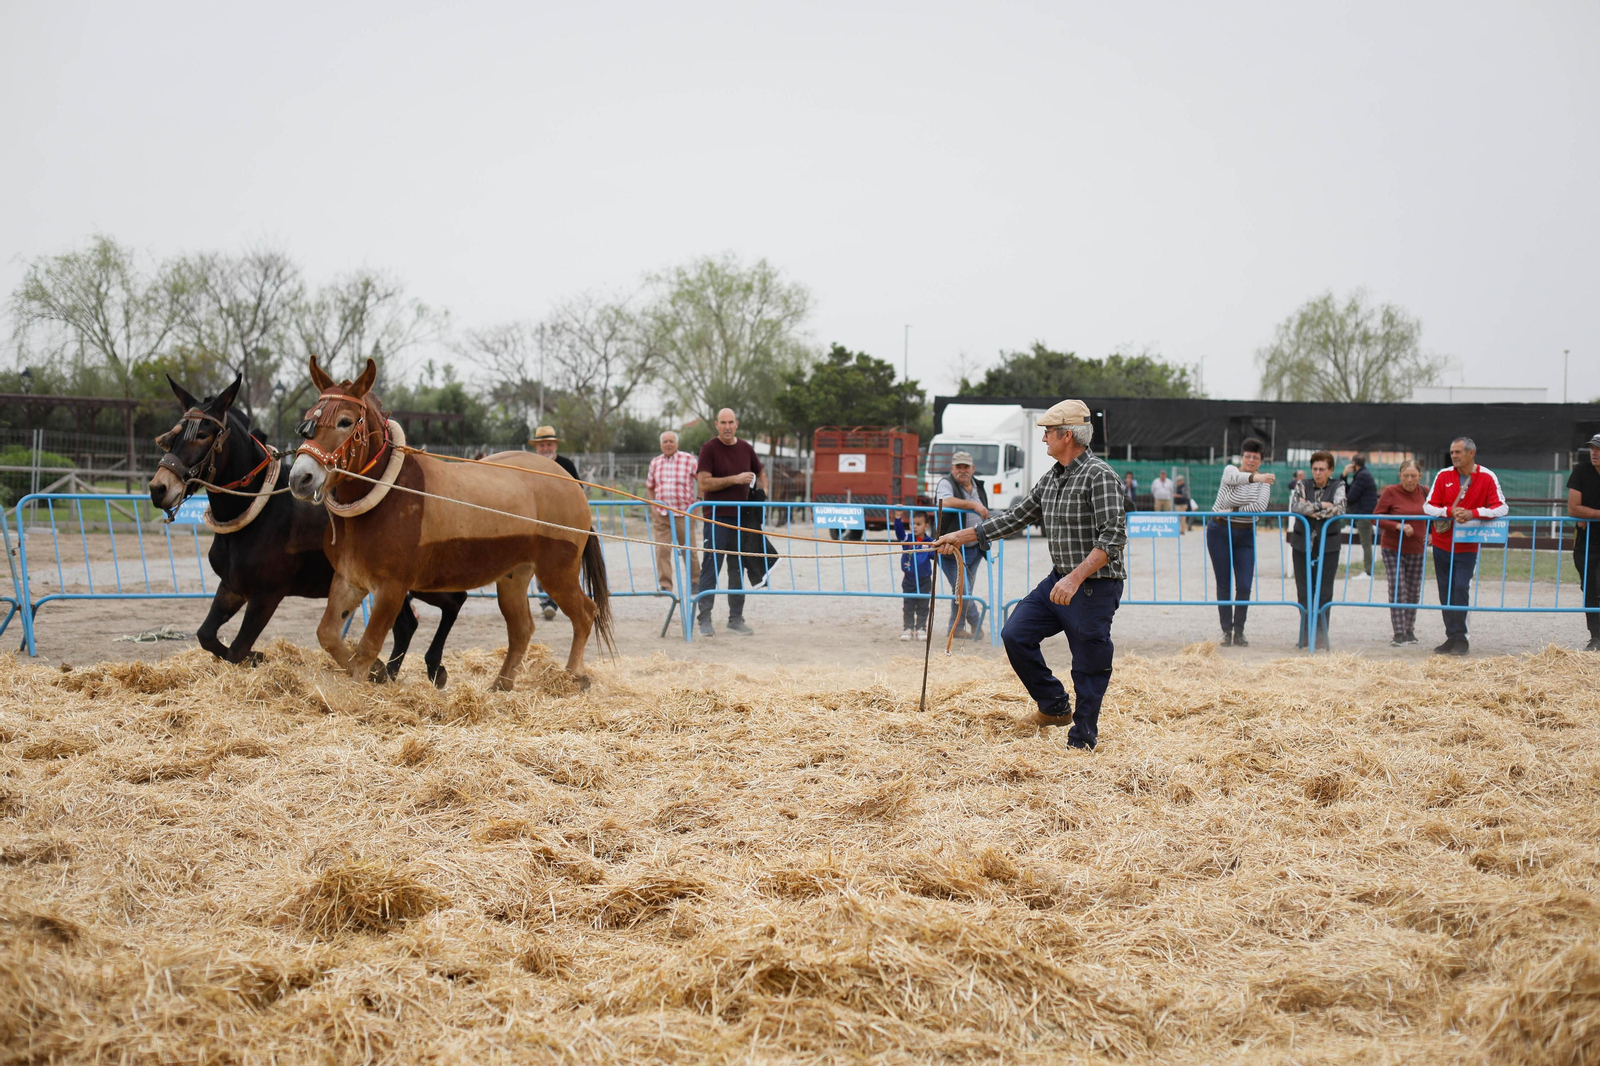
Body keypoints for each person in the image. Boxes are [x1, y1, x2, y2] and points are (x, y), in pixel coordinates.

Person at [933, 399, 1126, 749]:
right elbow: (1016, 516)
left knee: (1088, 664)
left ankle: (1082, 740)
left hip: (1094, 586)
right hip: (1060, 579)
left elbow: (1112, 538)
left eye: (1048, 433)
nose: (1044, 440)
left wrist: (1074, 577)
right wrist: (961, 537)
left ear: (1067, 435)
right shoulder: (1052, 478)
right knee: (1015, 633)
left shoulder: (1100, 476)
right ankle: (1053, 706)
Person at [1422, 436, 1508, 656]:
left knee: (1461, 587)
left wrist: (1474, 513)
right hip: (1442, 543)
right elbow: (1428, 506)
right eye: (1452, 452)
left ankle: (1462, 638)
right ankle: (1451, 636)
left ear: (1471, 453)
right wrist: (1450, 512)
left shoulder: (1487, 476)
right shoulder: (1443, 475)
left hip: (1468, 544)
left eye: (1458, 452)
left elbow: (1501, 508)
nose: (1454, 456)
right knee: (1445, 590)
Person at [695, 408, 765, 637]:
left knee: (737, 570)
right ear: (716, 424)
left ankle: (736, 619)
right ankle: (704, 618)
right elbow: (704, 483)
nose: (727, 426)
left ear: (736, 424)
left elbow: (761, 472)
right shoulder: (709, 449)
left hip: (741, 519)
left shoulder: (746, 448)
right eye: (723, 422)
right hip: (716, 517)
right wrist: (735, 479)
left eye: (731, 422)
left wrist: (761, 493)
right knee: (711, 568)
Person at [1208, 438, 1274, 646]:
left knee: (1245, 585)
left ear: (1261, 460)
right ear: (1242, 457)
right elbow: (1233, 483)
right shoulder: (1230, 470)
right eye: (1247, 456)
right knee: (1224, 582)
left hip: (1245, 534)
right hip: (1220, 531)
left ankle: (1240, 629)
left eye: (1255, 457)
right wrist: (1257, 478)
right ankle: (1226, 631)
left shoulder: (1264, 482)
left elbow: (1260, 507)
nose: (1251, 460)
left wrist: (1233, 510)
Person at [1288, 451, 1346, 650]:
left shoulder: (1339, 485)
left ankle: (1321, 635)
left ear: (1330, 470)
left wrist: (1310, 509)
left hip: (1328, 545)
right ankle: (1305, 634)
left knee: (1324, 591)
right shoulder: (1302, 484)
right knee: (1304, 591)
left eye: (1322, 469)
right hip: (1301, 545)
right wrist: (1322, 506)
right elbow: (1295, 506)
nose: (1318, 473)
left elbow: (1339, 508)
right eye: (1315, 469)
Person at [935, 451, 989, 640]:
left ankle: (956, 629)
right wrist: (973, 505)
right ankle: (976, 622)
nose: (962, 470)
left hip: (975, 547)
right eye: (959, 467)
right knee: (962, 590)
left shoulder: (978, 485)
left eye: (966, 467)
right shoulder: (946, 483)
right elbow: (945, 501)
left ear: (972, 469)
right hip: (951, 549)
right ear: (952, 469)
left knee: (963, 590)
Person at [1374, 459, 1429, 645]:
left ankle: (1409, 630)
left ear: (1420, 477)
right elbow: (1376, 518)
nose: (1410, 480)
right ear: (1400, 476)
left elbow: (1436, 515)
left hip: (1417, 548)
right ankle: (1398, 633)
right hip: (1393, 547)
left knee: (1413, 590)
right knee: (1398, 587)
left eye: (1413, 476)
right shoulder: (1391, 492)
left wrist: (1432, 534)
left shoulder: (1425, 492)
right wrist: (1398, 525)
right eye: (1406, 476)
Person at [529, 425, 579, 619]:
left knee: (569, 562)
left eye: (549, 444)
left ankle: (568, 600)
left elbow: (579, 490)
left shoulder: (566, 464)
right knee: (539, 562)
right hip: (538, 522)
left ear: (555, 445)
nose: (545, 448)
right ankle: (547, 602)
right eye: (541, 445)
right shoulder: (529, 465)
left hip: (565, 521)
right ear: (536, 447)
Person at [645, 429, 699, 594]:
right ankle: (665, 585)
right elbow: (650, 486)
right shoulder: (655, 462)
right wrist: (653, 506)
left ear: (677, 444)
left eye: (671, 441)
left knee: (689, 549)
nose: (668, 444)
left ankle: (696, 582)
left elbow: (701, 481)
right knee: (662, 550)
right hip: (662, 514)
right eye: (665, 442)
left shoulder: (689, 460)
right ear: (661, 445)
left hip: (684, 513)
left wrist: (697, 503)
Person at [1566, 433, 1600, 651]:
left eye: (1599, 449)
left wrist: (1589, 515)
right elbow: (1573, 508)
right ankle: (1595, 636)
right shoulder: (1581, 470)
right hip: (1586, 541)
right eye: (1592, 449)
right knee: (1589, 587)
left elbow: (1581, 509)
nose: (1595, 453)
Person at [892, 511, 935, 640]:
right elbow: (899, 532)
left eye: (918, 524)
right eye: (912, 524)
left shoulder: (930, 542)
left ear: (926, 526)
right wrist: (898, 518)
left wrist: (937, 549)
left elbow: (934, 556)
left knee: (923, 605)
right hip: (909, 578)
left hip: (925, 579)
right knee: (908, 604)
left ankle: (921, 628)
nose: (914, 526)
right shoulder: (908, 539)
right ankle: (908, 628)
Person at [1341, 454, 1378, 576]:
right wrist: (1344, 476)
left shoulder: (1361, 476)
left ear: (1354, 464)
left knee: (1366, 543)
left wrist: (1344, 474)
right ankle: (1350, 525)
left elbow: (1350, 496)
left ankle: (1368, 572)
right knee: (1366, 543)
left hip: (1363, 514)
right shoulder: (1362, 475)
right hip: (1363, 513)